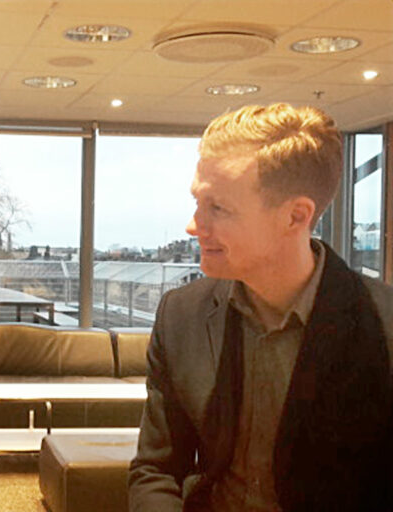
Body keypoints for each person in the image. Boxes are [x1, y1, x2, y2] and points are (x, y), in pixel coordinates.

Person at [129, 103, 393, 511]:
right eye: (198, 202)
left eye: (218, 208)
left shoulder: (383, 327)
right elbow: (157, 471)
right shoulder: (181, 315)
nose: (194, 225)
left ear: (295, 216)